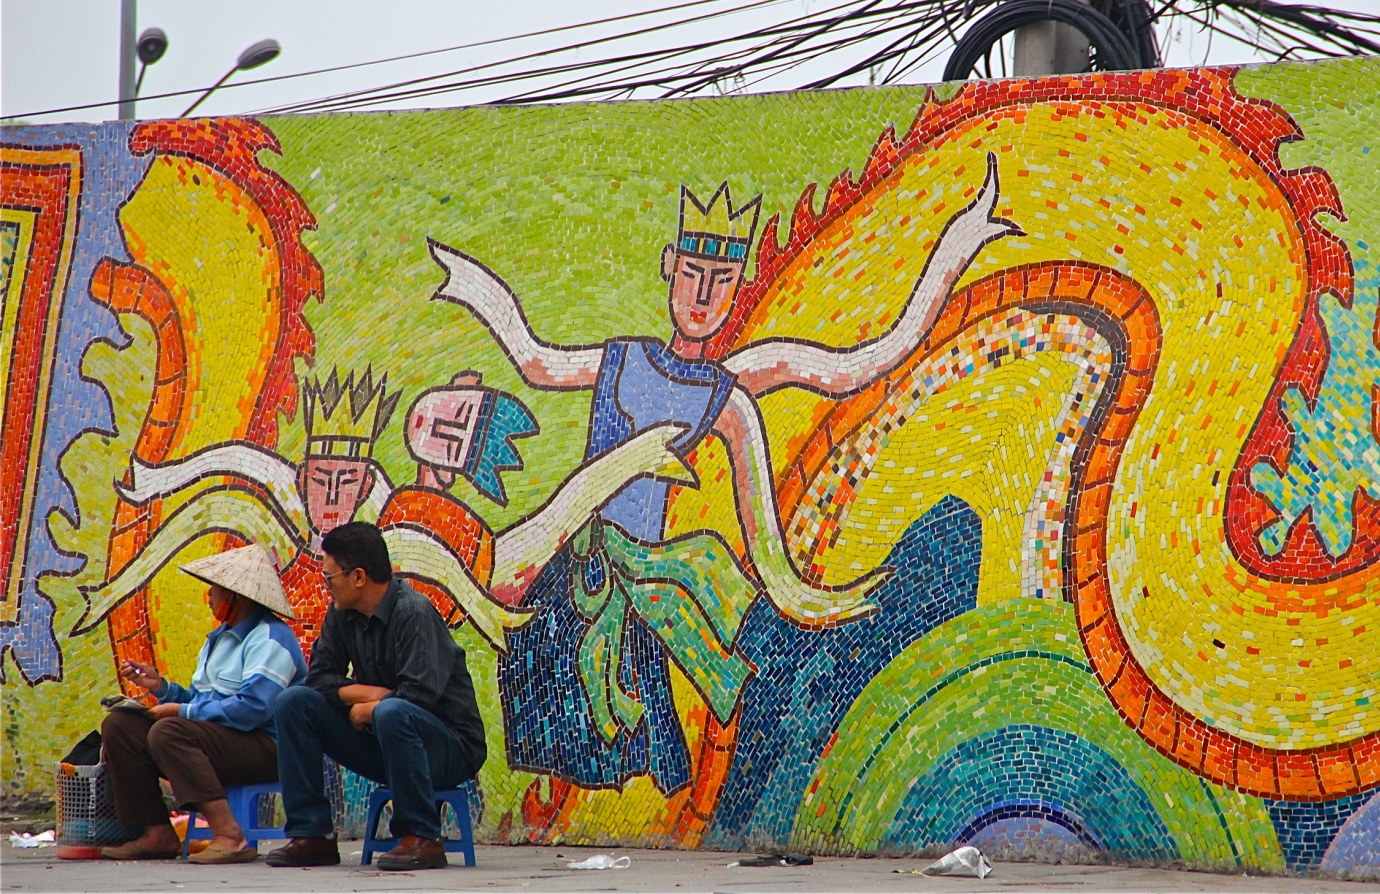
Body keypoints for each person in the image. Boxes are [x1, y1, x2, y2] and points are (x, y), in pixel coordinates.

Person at [423, 153, 1021, 794]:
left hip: (650, 580)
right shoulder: (623, 360)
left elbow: (852, 372)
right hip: (578, 577)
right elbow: (538, 362)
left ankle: (801, 692)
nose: (704, 295)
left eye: (722, 278)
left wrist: (954, 249)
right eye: (693, 273)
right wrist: (478, 289)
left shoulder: (728, 399)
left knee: (706, 568)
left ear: (736, 287)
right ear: (669, 270)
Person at [266, 521, 485, 871]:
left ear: (358, 577)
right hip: (385, 737)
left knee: (393, 712)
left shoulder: (413, 612)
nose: (326, 588)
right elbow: (319, 679)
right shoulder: (342, 614)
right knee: (294, 703)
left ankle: (422, 836)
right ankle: (312, 836)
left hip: (448, 746)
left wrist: (369, 711)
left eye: (329, 578)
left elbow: (420, 696)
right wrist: (368, 696)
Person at [99, 543, 306, 864]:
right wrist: (163, 689)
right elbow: (200, 702)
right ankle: (157, 833)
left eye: (215, 590)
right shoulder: (218, 640)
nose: (209, 596)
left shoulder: (272, 639)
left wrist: (182, 711)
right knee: (120, 726)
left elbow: (252, 710)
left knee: (169, 731)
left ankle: (229, 835)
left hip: (267, 746)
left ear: (236, 597)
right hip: (221, 739)